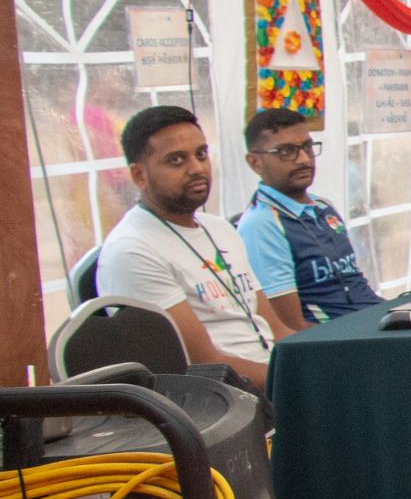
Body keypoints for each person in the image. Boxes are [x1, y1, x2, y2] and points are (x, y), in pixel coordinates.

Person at [98, 106, 297, 391]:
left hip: (273, 377)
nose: (197, 169)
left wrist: (319, 363)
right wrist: (300, 381)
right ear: (139, 175)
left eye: (201, 154)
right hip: (228, 399)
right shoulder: (132, 250)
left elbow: (276, 330)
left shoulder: (220, 229)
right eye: (176, 160)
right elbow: (204, 365)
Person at [238, 107, 382, 329]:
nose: (304, 160)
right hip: (338, 340)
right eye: (286, 151)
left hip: (373, 321)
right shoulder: (262, 224)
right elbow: (291, 327)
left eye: (307, 147)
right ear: (255, 163)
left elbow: (355, 283)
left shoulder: (323, 207)